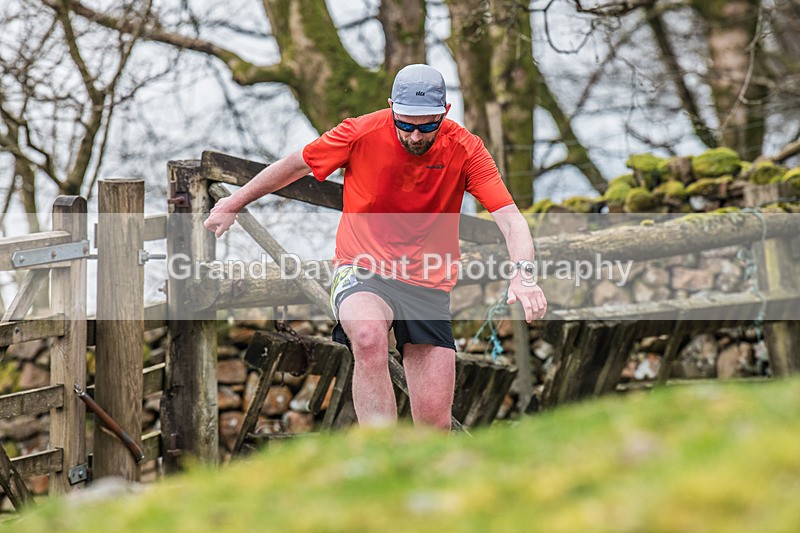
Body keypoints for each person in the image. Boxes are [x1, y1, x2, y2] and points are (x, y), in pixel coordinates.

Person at [204, 64, 547, 430]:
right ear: (391, 108)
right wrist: (233, 202)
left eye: (427, 126)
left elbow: (510, 218)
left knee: (434, 426)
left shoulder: (466, 149)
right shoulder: (359, 131)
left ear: (445, 112)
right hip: (362, 269)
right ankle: (382, 451)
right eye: (406, 124)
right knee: (367, 337)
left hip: (427, 284)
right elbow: (295, 165)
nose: (416, 135)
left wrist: (524, 275)